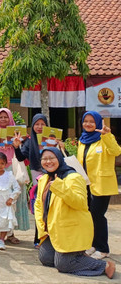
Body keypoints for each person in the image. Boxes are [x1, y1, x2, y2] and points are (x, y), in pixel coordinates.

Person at [35, 147, 115, 279]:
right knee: (46, 258)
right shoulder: (44, 179)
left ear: (59, 158)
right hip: (53, 228)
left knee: (63, 265)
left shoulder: (74, 177)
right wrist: (42, 226)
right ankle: (76, 256)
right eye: (44, 159)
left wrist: (59, 186)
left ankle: (103, 266)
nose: (48, 162)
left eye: (51, 158)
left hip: (71, 229)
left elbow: (80, 203)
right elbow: (38, 204)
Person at [77, 111, 121, 260]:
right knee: (89, 216)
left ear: (97, 123)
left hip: (101, 184)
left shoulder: (104, 138)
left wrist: (107, 135)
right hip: (86, 184)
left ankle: (103, 248)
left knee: (97, 215)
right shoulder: (82, 141)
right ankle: (92, 245)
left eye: (92, 121)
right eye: (85, 121)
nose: (88, 124)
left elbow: (116, 151)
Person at [0, 108, 29, 244]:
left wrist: (17, 143)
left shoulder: (16, 132)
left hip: (11, 167)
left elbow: (22, 151)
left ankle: (10, 233)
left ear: (10, 118)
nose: (3, 120)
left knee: (11, 202)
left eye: (6, 117)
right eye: (0, 117)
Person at [13, 113, 48, 247]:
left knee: (51, 206)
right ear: (32, 126)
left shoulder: (52, 139)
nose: (39, 127)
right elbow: (21, 157)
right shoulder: (29, 141)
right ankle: (38, 238)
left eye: (42, 124)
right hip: (37, 176)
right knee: (40, 206)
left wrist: (60, 146)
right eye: (36, 124)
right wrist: (16, 147)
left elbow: (63, 157)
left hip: (52, 176)